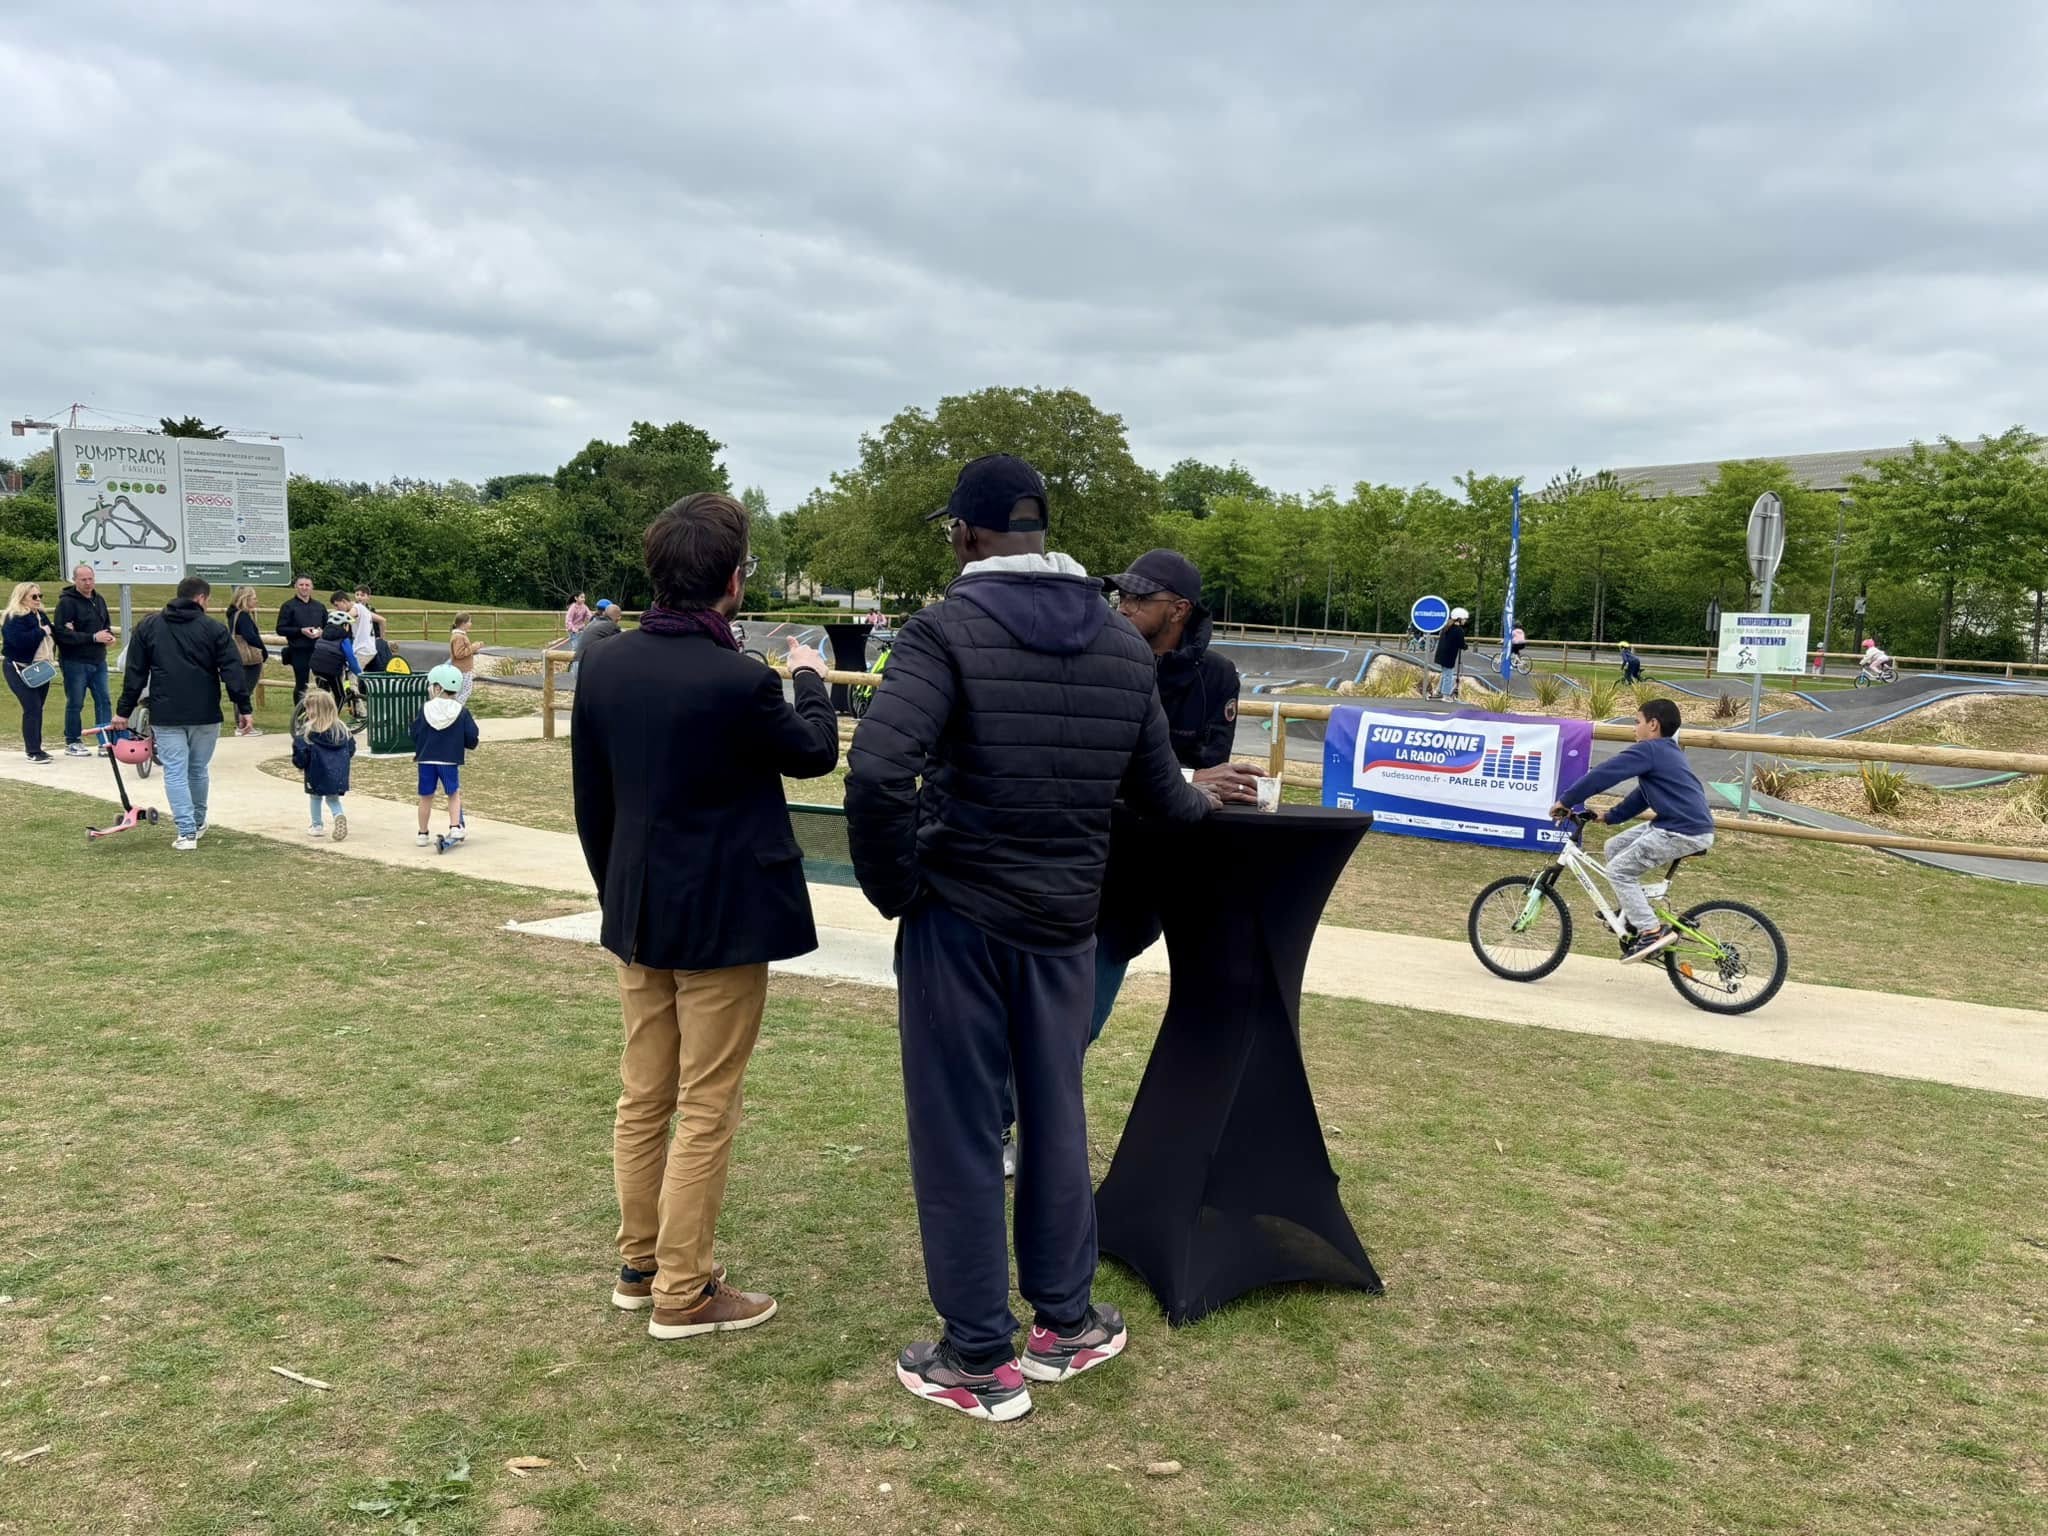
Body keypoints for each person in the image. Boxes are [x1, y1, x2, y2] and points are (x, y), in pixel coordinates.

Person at [845, 454, 1215, 1422]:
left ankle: (976, 1356)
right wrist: (1208, 799)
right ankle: (1065, 1323)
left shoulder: (942, 630)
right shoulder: (1120, 642)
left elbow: (878, 772)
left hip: (959, 918)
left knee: (961, 1130)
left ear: (965, 535)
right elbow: (1163, 797)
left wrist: (898, 890)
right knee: (1053, 1118)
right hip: (1064, 925)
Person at [571, 491, 839, 1342]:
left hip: (638, 910)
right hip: (721, 918)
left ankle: (640, 1263)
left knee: (644, 1097)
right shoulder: (740, 678)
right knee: (706, 1105)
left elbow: (591, 800)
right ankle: (682, 1290)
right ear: (732, 580)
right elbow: (815, 752)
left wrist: (615, 894)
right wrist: (807, 676)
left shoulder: (605, 662)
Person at [1091, 549, 1263, 1036]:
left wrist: (1178, 783)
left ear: (1179, 609)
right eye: (1121, 597)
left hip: (1141, 877)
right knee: (1043, 1030)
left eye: (1139, 599)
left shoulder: (1217, 677)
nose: (1124, 607)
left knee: (1083, 1025)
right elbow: (1092, 767)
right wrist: (1182, 780)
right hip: (1079, 858)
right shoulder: (1097, 661)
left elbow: (1214, 776)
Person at [1552, 696, 1715, 963]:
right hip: (1677, 824)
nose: (1633, 728)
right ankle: (1631, 915)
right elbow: (1643, 794)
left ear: (1653, 724)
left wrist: (1566, 800)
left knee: (1618, 871)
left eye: (1636, 721)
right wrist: (1611, 816)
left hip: (1681, 830)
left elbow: (1605, 773)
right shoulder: (1668, 751)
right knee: (1613, 847)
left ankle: (1651, 931)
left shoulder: (1650, 750)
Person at [113, 576, 254, 850]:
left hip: (166, 711)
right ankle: (197, 822)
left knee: (175, 771)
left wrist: (124, 710)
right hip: (205, 710)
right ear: (201, 598)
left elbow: (135, 673)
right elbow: (232, 669)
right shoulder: (213, 629)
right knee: (197, 769)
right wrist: (243, 707)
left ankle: (186, 831)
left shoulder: (149, 627)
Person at [410, 663, 478, 847]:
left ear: (438, 687)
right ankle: (455, 826)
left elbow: (415, 732)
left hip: (426, 759)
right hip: (449, 759)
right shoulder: (461, 711)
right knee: (453, 793)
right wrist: (469, 744)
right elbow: (472, 735)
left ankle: (422, 833)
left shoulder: (425, 708)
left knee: (426, 796)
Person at [53, 563, 115, 756]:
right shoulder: (67, 603)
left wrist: (109, 637)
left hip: (98, 660)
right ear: (75, 580)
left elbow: (105, 625)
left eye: (90, 579)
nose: (88, 583)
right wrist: (92, 637)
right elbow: (62, 634)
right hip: (75, 661)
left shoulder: (99, 599)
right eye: (83, 580)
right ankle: (72, 741)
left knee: (104, 700)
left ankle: (104, 741)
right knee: (76, 702)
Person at [3, 581, 56, 765]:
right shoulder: (14, 617)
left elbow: (52, 632)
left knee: (38, 707)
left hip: (40, 666)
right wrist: (42, 631)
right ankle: (32, 751)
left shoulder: (40, 614)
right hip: (18, 667)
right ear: (22, 597)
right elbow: (19, 642)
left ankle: (37, 748)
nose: (38, 599)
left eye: (40, 596)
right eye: (34, 596)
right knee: (32, 706)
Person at [292, 686, 355, 841]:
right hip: (338, 771)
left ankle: (317, 825)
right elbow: (351, 748)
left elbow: (301, 753)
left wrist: (300, 764)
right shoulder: (342, 730)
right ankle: (338, 814)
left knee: (315, 797)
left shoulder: (307, 733)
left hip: (316, 771)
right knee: (333, 798)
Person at [276, 575, 327, 703]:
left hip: (318, 650)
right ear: (296, 587)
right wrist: (300, 631)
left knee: (323, 683)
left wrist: (322, 632)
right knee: (301, 684)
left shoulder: (320, 606)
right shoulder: (288, 606)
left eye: (307, 585)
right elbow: (280, 629)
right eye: (301, 585)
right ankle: (300, 712)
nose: (304, 588)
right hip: (298, 650)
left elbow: (327, 627)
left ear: (312, 587)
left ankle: (321, 709)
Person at [227, 586, 269, 734]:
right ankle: (244, 725)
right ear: (245, 599)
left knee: (240, 689)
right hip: (250, 658)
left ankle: (240, 723)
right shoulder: (243, 616)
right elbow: (250, 636)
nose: (256, 601)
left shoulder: (232, 615)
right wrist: (263, 649)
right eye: (253, 598)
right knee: (246, 691)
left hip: (238, 657)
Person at [310, 601, 362, 709]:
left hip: (315, 667)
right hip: (331, 670)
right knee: (340, 696)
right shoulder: (344, 638)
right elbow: (351, 659)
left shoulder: (323, 634)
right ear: (344, 625)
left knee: (323, 695)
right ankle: (332, 718)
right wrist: (360, 674)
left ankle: (318, 714)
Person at [1435, 606, 1469, 699]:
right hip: (1448, 656)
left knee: (1445, 674)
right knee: (1448, 675)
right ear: (1459, 619)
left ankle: (1438, 691)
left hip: (1441, 654)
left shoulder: (1447, 627)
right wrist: (1465, 646)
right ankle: (1446, 695)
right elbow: (1461, 644)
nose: (1465, 621)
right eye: (1464, 619)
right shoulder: (1458, 630)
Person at [449, 613, 479, 705]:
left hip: (462, 669)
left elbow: (464, 651)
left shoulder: (460, 635)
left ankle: (455, 707)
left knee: (460, 691)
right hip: (462, 670)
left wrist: (473, 650)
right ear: (463, 623)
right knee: (466, 691)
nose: (471, 624)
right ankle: (457, 708)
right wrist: (474, 647)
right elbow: (459, 654)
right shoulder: (459, 637)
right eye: (469, 621)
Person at [350, 586, 381, 672]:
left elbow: (377, 626)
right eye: (357, 594)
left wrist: (379, 638)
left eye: (362, 595)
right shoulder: (353, 608)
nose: (359, 597)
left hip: (368, 643)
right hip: (357, 641)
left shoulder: (371, 610)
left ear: (368, 597)